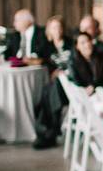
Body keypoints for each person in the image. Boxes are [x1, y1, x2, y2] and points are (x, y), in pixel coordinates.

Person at [32, 16, 74, 149]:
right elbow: (37, 59)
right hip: (57, 83)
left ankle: (48, 131)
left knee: (51, 88)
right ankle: (49, 130)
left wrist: (65, 72)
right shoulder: (46, 46)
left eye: (60, 27)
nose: (58, 30)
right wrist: (53, 71)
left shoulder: (71, 43)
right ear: (49, 30)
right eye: (54, 28)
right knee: (47, 90)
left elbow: (76, 63)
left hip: (71, 82)